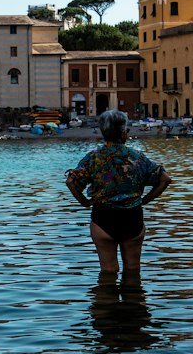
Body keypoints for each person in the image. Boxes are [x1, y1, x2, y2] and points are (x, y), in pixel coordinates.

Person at [65, 109, 171, 274]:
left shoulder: (93, 158)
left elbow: (71, 181)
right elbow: (165, 179)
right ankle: (133, 298)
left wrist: (84, 202)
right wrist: (145, 200)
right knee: (133, 270)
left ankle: (106, 297)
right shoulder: (137, 157)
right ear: (123, 133)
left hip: (103, 218)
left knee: (108, 271)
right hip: (132, 218)